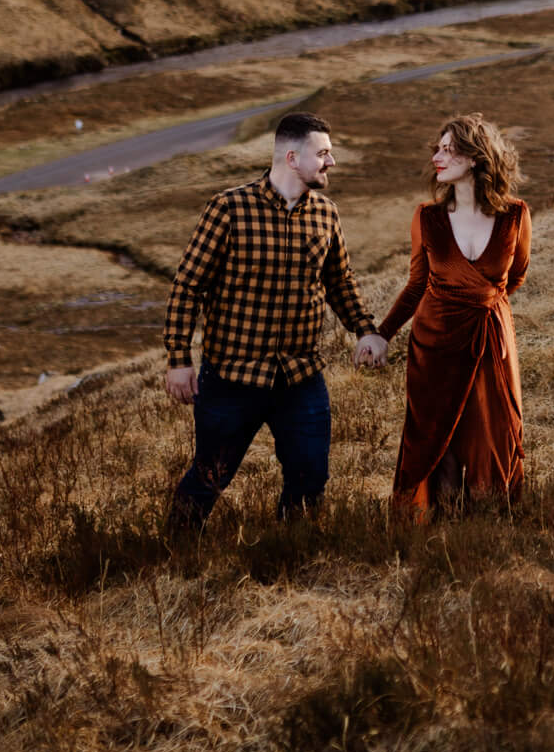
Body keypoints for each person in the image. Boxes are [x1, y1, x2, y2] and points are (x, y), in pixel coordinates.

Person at [163, 111, 385, 530]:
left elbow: (340, 281)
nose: (331, 162)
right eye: (323, 154)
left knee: (310, 478)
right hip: (232, 378)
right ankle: (174, 553)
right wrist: (179, 360)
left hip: (300, 378)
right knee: (211, 476)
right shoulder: (228, 209)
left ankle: (290, 554)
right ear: (291, 157)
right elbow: (187, 285)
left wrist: (366, 330)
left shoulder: (326, 214)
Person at [356, 114, 531, 517]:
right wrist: (382, 334)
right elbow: (417, 285)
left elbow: (515, 275)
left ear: (475, 157)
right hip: (433, 342)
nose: (437, 156)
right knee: (439, 438)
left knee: (493, 432)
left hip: (491, 342)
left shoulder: (515, 215)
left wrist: (480, 301)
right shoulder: (428, 218)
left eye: (448, 149)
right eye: (438, 147)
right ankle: (440, 522)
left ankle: (488, 522)